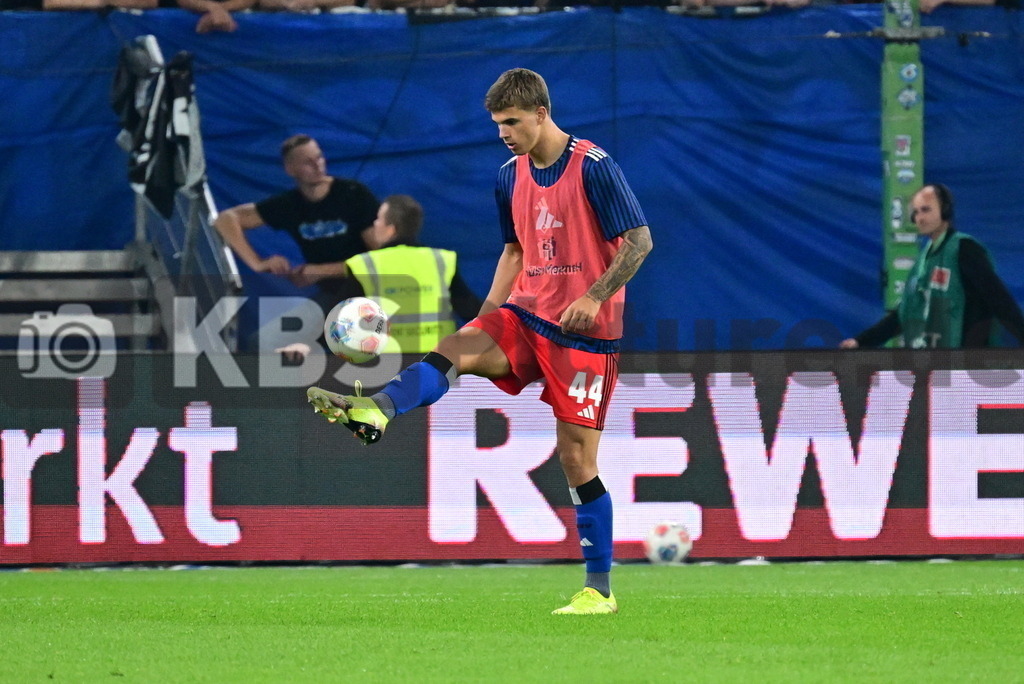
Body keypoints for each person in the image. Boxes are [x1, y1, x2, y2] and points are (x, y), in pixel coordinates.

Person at [307, 68, 653, 616]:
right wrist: (489, 316)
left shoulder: (593, 166)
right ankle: (377, 408)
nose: (504, 133)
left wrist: (594, 294)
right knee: (458, 346)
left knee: (576, 459)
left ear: (541, 112)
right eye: (497, 124)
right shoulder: (508, 175)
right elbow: (514, 252)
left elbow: (639, 241)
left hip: (585, 334)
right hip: (526, 312)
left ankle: (599, 591)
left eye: (512, 121)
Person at [840, 183, 1024, 349]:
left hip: (968, 366)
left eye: (926, 210)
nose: (919, 218)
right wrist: (860, 341)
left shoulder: (964, 249)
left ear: (945, 210)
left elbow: (999, 300)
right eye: (916, 212)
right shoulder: (923, 260)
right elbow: (903, 315)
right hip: (933, 365)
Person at [214, 134, 379, 306]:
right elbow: (226, 219)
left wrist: (321, 271)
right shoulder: (290, 204)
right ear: (290, 169)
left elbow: (380, 260)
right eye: (308, 162)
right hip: (334, 294)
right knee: (272, 333)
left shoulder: (353, 194)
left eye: (319, 157)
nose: (318, 165)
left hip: (372, 294)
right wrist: (258, 263)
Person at [325, 194, 482, 353]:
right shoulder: (441, 260)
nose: (374, 224)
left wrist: (307, 343)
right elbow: (471, 310)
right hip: (438, 362)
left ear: (391, 229)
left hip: (385, 364)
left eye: (378, 219)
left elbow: (336, 319)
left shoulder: (366, 265)